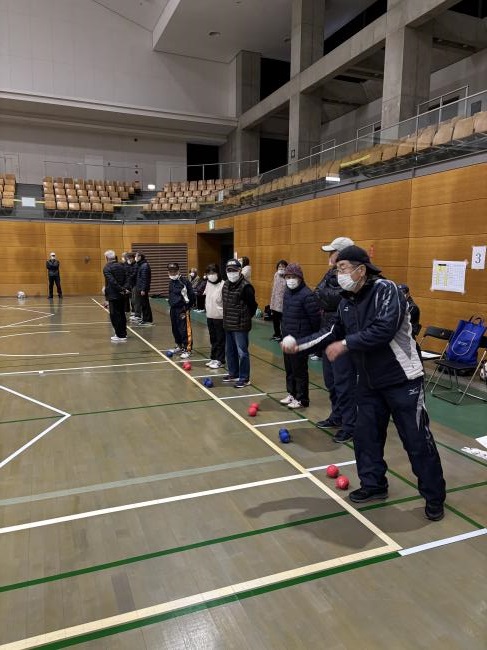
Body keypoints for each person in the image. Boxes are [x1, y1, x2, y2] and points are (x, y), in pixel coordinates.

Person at [281, 245, 446, 521]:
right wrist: (300, 345)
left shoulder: (387, 290)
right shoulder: (347, 302)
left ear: (361, 269)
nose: (338, 273)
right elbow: (332, 331)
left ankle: (434, 496)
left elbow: (383, 329)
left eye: (342, 267)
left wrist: (346, 344)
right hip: (369, 382)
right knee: (366, 437)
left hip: (403, 380)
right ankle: (374, 485)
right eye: (336, 269)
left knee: (417, 441)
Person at [315, 236, 357, 443]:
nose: (329, 257)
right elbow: (318, 294)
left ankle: (350, 425)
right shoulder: (330, 273)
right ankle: (337, 416)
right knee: (331, 381)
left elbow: (334, 297)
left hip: (343, 339)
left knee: (344, 384)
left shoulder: (352, 278)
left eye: (332, 252)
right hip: (327, 334)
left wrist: (326, 296)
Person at [280, 264, 320, 409]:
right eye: (288, 277)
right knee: (289, 368)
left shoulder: (307, 295)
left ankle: (302, 399)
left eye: (293, 277)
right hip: (287, 338)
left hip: (301, 340)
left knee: (299, 370)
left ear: (300, 278)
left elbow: (315, 319)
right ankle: (292, 393)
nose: (290, 280)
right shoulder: (287, 292)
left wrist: (311, 339)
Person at [222, 258, 257, 388]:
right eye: (229, 270)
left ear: (240, 270)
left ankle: (244, 378)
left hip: (241, 326)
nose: (232, 273)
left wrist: (244, 318)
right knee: (229, 351)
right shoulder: (225, 285)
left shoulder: (246, 287)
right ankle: (233, 373)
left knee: (242, 352)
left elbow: (253, 306)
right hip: (228, 324)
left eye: (234, 270)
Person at [167, 262, 195, 358]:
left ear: (178, 271)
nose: (172, 273)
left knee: (184, 329)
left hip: (182, 309)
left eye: (174, 271)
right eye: (170, 271)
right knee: (175, 328)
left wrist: (187, 307)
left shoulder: (184, 282)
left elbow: (191, 295)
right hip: (173, 309)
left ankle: (187, 349)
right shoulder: (171, 282)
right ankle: (179, 345)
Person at [103, 250, 128, 342]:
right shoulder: (122, 265)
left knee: (115, 315)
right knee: (122, 314)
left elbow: (112, 281)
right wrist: (124, 289)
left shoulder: (107, 268)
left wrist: (121, 289)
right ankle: (123, 333)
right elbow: (127, 278)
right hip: (122, 294)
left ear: (106, 258)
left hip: (113, 295)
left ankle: (120, 335)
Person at [204, 263, 225, 369]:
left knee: (220, 340)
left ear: (218, 273)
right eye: (209, 273)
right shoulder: (208, 283)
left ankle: (220, 360)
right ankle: (213, 357)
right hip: (210, 316)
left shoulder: (223, 285)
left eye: (213, 272)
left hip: (220, 318)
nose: (211, 275)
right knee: (213, 339)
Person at [269, 259, 288, 341]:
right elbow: (274, 289)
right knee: (275, 320)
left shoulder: (288, 276)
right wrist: (271, 302)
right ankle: (277, 334)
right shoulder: (276, 275)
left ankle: (284, 336)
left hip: (284, 303)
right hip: (275, 302)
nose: (281, 268)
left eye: (283, 266)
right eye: (279, 266)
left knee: (283, 321)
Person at [132, 252, 153, 325]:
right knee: (143, 304)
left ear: (140, 257)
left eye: (136, 256)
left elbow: (145, 279)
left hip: (142, 289)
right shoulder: (140, 265)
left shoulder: (144, 266)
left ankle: (148, 320)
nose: (135, 258)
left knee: (145, 304)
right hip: (140, 287)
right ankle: (145, 319)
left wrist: (143, 289)